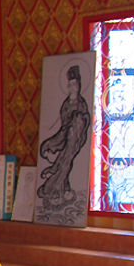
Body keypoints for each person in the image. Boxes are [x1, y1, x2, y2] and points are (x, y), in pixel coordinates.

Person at [38, 65, 90, 205]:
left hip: (77, 137)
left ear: (79, 85)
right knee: (65, 161)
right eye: (70, 84)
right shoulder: (66, 104)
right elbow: (64, 124)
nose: (73, 87)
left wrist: (77, 121)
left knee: (65, 161)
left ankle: (51, 188)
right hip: (66, 135)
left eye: (75, 84)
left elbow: (84, 120)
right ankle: (63, 189)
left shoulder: (82, 103)